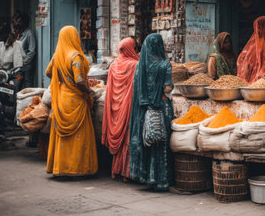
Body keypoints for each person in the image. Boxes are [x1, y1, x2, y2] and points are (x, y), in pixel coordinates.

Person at [46, 26, 98, 177]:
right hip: (76, 100)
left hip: (62, 97)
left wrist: (61, 79)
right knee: (79, 135)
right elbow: (80, 80)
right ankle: (77, 168)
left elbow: (48, 72)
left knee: (63, 136)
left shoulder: (58, 55)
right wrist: (89, 91)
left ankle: (61, 168)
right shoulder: (75, 57)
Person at [129, 33, 174, 191]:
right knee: (161, 142)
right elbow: (168, 88)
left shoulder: (139, 67)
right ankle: (162, 180)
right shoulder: (165, 65)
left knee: (147, 140)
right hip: (162, 107)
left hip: (144, 111)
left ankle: (147, 177)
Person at [102, 37, 139, 181]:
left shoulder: (113, 65)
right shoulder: (135, 65)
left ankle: (116, 170)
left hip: (115, 109)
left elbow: (109, 89)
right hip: (129, 107)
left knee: (121, 140)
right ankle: (126, 173)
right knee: (127, 139)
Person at [15, 13, 36, 88]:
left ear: (24, 23)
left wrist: (25, 62)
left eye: (19, 22)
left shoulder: (29, 34)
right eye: (17, 22)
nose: (17, 24)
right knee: (17, 84)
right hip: (19, 66)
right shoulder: (20, 34)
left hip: (26, 66)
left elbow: (32, 51)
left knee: (27, 84)